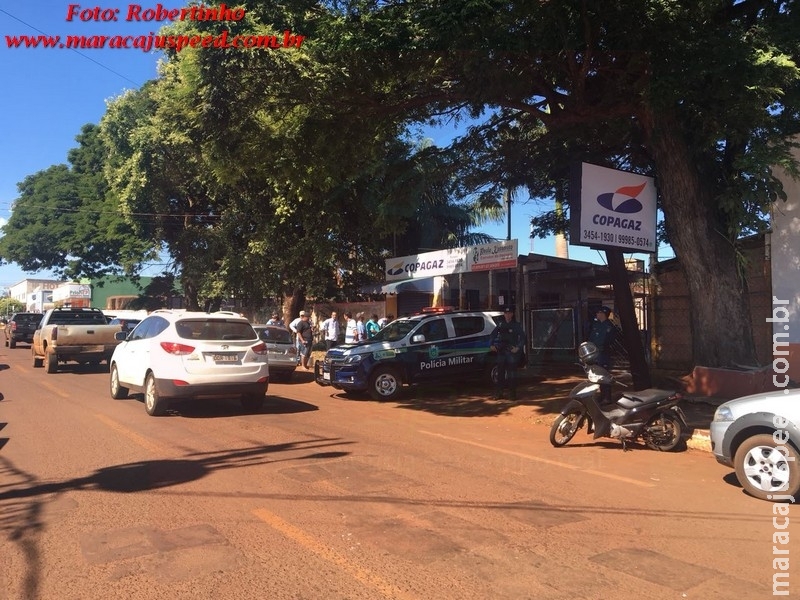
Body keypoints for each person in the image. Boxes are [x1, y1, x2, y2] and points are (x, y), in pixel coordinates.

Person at [489, 306, 526, 401]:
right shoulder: (501, 324)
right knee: (500, 373)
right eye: (506, 313)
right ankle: (499, 393)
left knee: (512, 374)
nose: (507, 315)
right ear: (504, 314)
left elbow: (522, 338)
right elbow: (493, 335)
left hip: (511, 352)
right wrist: (491, 345)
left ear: (512, 314)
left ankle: (512, 395)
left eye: (509, 313)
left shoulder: (516, 325)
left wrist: (518, 348)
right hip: (501, 351)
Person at [588, 306, 616, 404]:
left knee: (604, 375)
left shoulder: (609, 326)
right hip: (595, 353)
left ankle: (607, 397)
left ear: (603, 314)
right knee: (598, 375)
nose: (597, 314)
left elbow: (606, 341)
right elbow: (591, 338)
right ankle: (602, 395)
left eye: (599, 313)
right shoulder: (596, 325)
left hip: (603, 353)